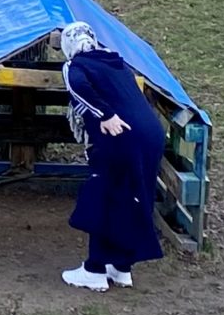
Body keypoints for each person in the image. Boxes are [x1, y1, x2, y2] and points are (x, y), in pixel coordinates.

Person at [58, 21, 167, 291]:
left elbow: (79, 87)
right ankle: (121, 268)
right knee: (133, 197)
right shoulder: (117, 63)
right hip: (151, 135)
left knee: (103, 197)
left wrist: (104, 115)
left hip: (121, 136)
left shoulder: (75, 66)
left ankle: (94, 270)